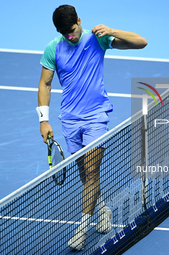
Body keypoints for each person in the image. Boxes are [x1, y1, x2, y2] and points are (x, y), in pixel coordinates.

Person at [36, 4, 147, 251]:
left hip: (96, 116)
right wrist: (44, 119)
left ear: (79, 20)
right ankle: (103, 208)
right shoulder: (53, 48)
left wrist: (111, 30)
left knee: (92, 169)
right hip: (70, 119)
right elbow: (45, 84)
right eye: (65, 33)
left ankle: (82, 229)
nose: (70, 36)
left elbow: (141, 42)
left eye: (73, 30)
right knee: (85, 175)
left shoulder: (98, 40)